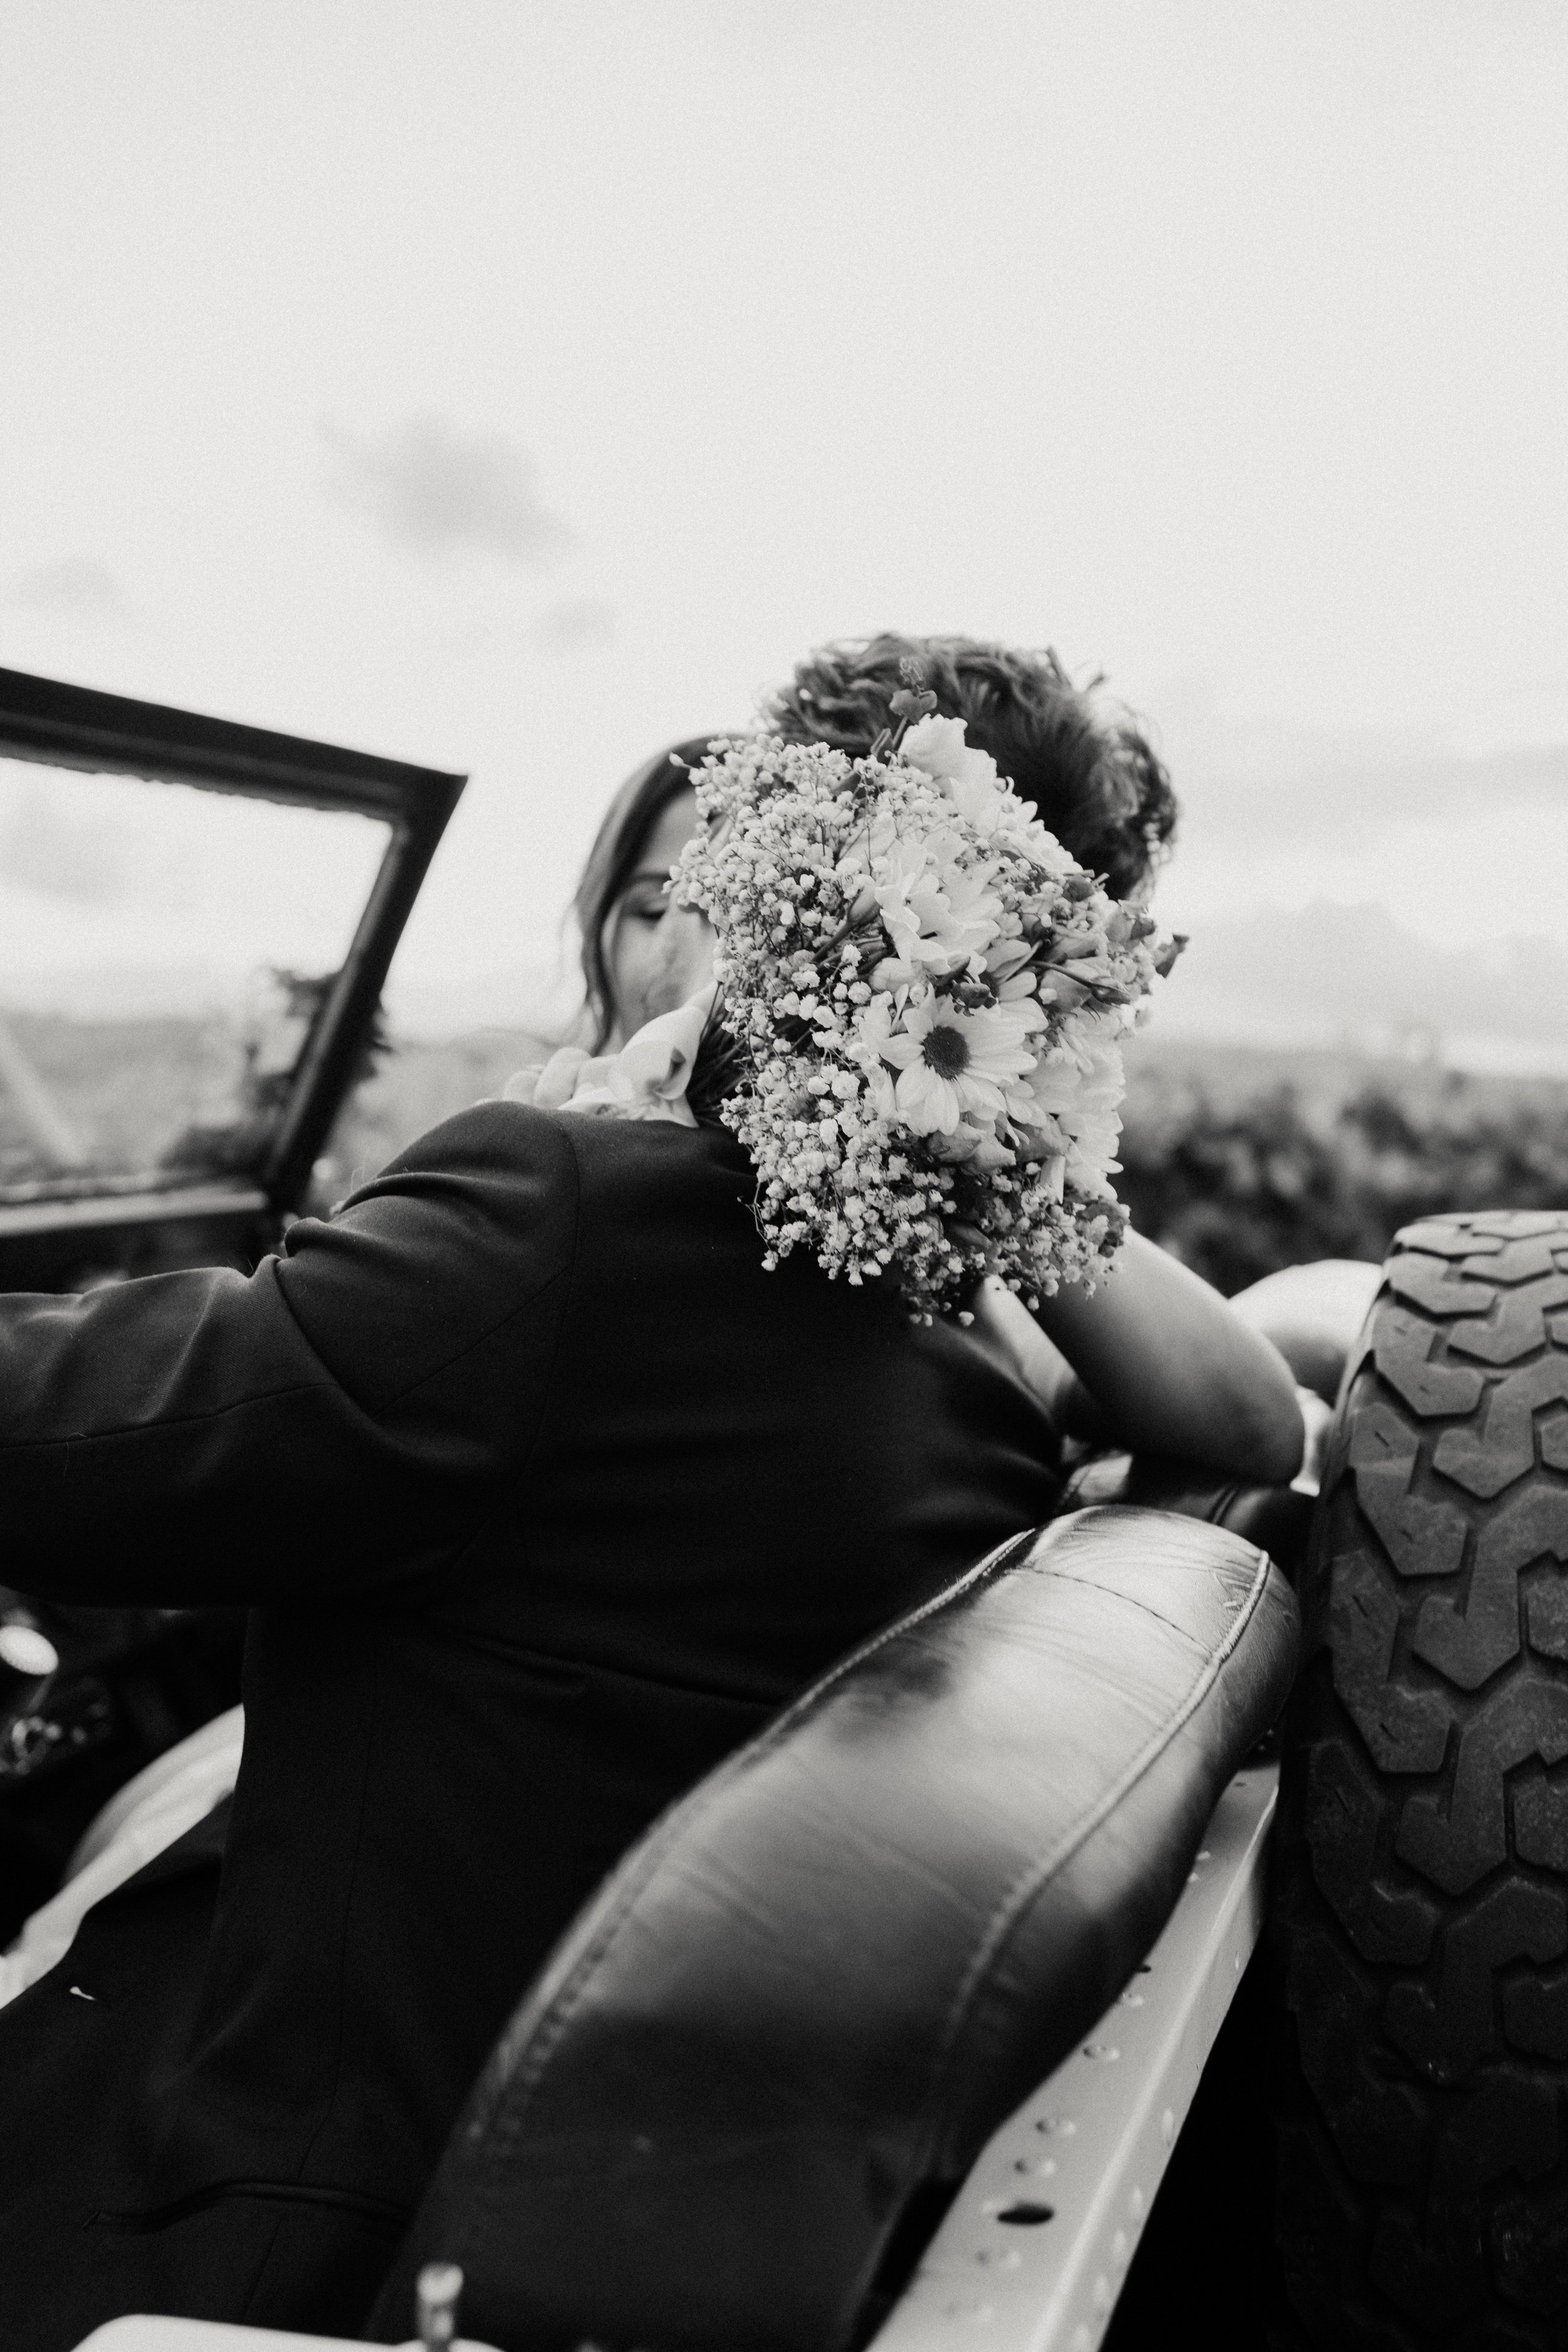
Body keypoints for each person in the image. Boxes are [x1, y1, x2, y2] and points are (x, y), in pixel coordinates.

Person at [0, 633, 1301, 2350]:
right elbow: (1247, 1419)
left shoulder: (564, 1227)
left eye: (733, 864)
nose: (685, 924)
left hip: (233, 2208)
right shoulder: (963, 1347)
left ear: (787, 889)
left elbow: (68, 1431)